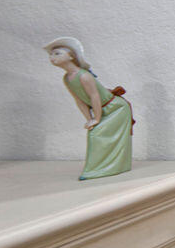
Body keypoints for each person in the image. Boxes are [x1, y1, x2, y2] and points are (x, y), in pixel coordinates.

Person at [45, 37, 135, 179]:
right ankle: (102, 167)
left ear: (71, 56)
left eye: (57, 53)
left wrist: (97, 119)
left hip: (115, 109)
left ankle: (103, 168)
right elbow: (79, 100)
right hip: (104, 109)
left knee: (96, 135)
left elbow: (95, 97)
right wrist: (89, 119)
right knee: (95, 133)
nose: (52, 58)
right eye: (51, 55)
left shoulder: (84, 76)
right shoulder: (67, 78)